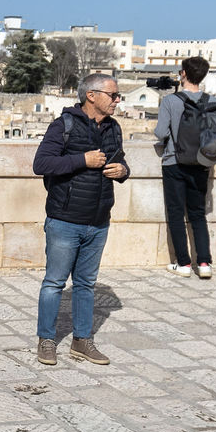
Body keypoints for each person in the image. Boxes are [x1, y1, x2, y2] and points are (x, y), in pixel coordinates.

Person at [33, 73, 128, 366]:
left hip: (99, 220)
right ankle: (46, 340)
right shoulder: (64, 125)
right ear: (92, 95)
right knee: (54, 283)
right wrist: (82, 160)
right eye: (113, 95)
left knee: (86, 284)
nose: (117, 100)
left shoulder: (114, 128)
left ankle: (82, 341)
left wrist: (123, 171)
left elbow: (120, 159)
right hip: (65, 219)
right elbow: (42, 164)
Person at [153, 55, 216, 279]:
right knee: (198, 214)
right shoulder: (211, 100)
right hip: (200, 163)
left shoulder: (171, 101)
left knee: (175, 213)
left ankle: (183, 263)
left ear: (183, 74)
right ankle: (204, 263)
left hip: (174, 161)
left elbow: (161, 133)